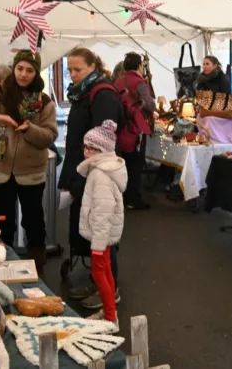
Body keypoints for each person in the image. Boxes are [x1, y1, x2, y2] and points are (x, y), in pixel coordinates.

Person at [58, 47, 124, 309]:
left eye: (78, 69)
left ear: (93, 67)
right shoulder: (84, 92)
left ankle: (110, 289)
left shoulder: (103, 95)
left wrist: (90, 174)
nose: (72, 75)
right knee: (90, 227)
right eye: (69, 70)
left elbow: (104, 140)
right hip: (86, 170)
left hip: (98, 175)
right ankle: (99, 280)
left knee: (103, 232)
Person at [0, 50, 57, 274]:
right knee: (1, 221)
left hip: (31, 173)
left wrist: (29, 129)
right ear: (14, 68)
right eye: (20, 68)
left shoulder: (44, 102)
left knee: (34, 223)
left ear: (36, 73)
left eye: (29, 70)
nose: (23, 74)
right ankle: (1, 268)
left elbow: (49, 136)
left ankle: (37, 273)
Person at [78, 120, 126, 325]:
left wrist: (97, 245)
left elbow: (103, 212)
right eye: (86, 147)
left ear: (103, 151)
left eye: (92, 149)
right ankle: (109, 313)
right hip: (104, 236)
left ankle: (109, 316)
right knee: (105, 271)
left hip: (101, 236)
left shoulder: (100, 175)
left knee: (100, 274)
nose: (87, 152)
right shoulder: (104, 170)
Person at [114, 52, 155, 210]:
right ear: (139, 66)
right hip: (136, 126)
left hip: (121, 125)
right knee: (135, 165)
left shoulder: (118, 81)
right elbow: (150, 106)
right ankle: (132, 198)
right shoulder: (139, 82)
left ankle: (121, 196)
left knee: (122, 163)